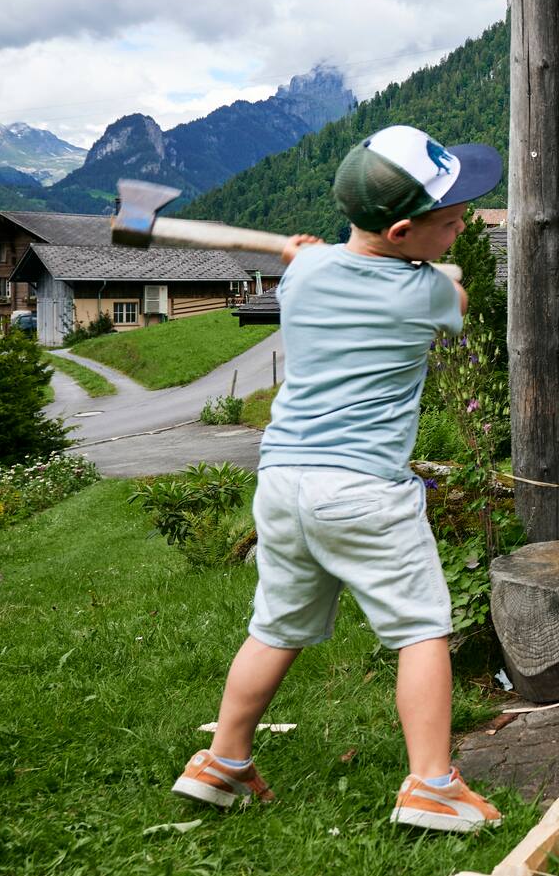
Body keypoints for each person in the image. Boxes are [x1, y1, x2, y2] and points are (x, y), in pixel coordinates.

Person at [172, 124, 507, 832]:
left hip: (285, 481)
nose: (460, 231)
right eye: (450, 224)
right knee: (421, 628)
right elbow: (458, 296)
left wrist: (305, 256)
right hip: (363, 491)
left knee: (276, 626)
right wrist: (442, 271)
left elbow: (336, 268)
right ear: (405, 229)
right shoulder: (426, 295)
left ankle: (222, 759)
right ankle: (431, 783)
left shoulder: (302, 275)